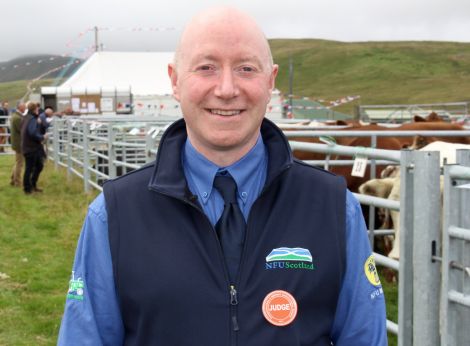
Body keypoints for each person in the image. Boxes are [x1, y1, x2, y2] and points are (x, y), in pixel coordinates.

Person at [58, 6, 387, 345]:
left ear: (270, 80)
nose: (227, 89)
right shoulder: (114, 215)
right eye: (206, 68)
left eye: (246, 68)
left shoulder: (334, 209)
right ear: (175, 80)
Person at [21, 102, 47, 194]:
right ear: (34, 109)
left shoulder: (26, 118)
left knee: (36, 166)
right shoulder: (32, 119)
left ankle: (31, 186)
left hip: (28, 146)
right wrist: (42, 137)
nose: (38, 110)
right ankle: (28, 188)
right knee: (30, 168)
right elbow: (32, 132)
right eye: (37, 109)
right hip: (31, 148)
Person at [9, 101, 26, 187]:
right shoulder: (17, 118)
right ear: (20, 107)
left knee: (18, 162)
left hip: (17, 142)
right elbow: (22, 130)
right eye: (24, 107)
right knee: (20, 163)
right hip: (19, 143)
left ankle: (13, 179)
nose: (25, 108)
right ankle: (17, 182)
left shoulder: (16, 116)